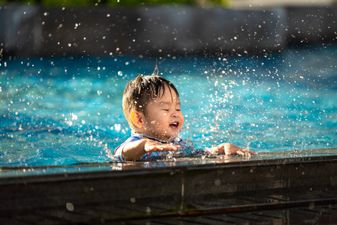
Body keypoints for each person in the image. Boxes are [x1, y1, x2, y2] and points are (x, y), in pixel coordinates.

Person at [113, 74, 255, 161]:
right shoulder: (137, 143)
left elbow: (199, 155)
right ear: (139, 119)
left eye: (178, 108)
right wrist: (143, 146)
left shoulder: (177, 143)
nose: (175, 113)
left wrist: (220, 149)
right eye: (166, 109)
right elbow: (121, 153)